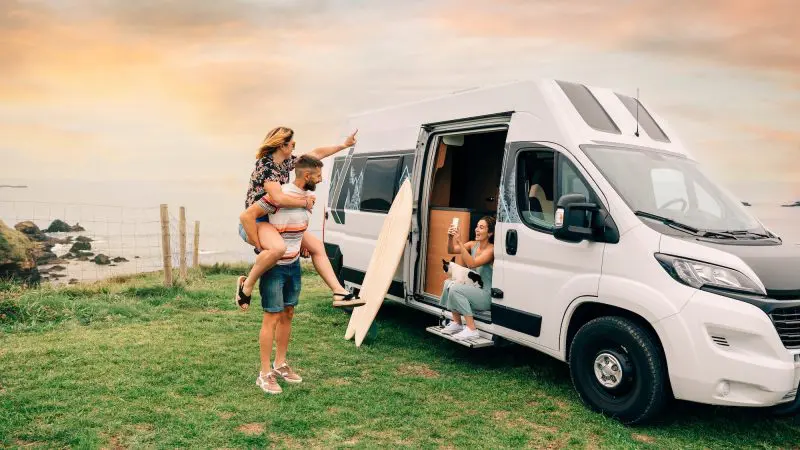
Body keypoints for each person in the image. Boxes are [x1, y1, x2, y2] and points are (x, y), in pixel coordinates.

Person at [236, 126, 363, 311]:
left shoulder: (287, 162)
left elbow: (316, 154)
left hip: (274, 220)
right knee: (278, 248)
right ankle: (246, 286)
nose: (294, 147)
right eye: (292, 143)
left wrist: (344, 145)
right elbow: (278, 198)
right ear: (281, 145)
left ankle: (339, 292)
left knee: (317, 247)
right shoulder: (266, 166)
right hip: (257, 222)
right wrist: (304, 201)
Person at [254, 154, 324, 394]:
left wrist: (301, 244)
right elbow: (251, 217)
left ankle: (280, 364)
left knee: (288, 313)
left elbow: (297, 227)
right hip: (275, 267)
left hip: (293, 265)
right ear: (307, 176)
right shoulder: (278, 196)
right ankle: (264, 374)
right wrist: (260, 246)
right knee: (271, 317)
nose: (321, 179)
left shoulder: (307, 198)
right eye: (318, 175)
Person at [439, 216, 496, 340]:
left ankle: (471, 329)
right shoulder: (472, 245)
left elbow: (472, 263)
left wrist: (459, 241)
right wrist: (450, 237)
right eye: (477, 226)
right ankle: (457, 323)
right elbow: (451, 250)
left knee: (456, 288)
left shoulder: (491, 250)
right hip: (475, 289)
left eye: (481, 227)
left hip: (486, 295)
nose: (477, 230)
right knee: (448, 282)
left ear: (490, 233)